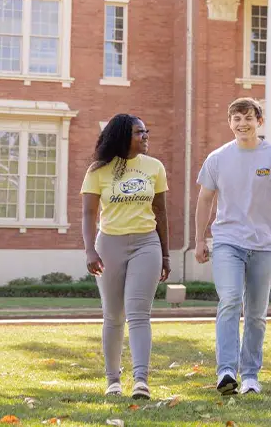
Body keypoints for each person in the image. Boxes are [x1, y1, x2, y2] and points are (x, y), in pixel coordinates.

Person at [194, 98, 271, 396]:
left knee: (255, 313)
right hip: (227, 241)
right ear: (230, 123)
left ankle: (250, 374)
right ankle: (226, 370)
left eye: (248, 117)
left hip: (263, 245)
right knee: (229, 299)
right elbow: (204, 199)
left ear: (259, 121)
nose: (242, 123)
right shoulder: (217, 158)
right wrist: (201, 239)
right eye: (236, 118)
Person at [81, 114, 170, 401]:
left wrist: (166, 254)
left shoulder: (154, 167)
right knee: (113, 315)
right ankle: (113, 381)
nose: (145, 136)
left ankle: (141, 381)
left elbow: (161, 213)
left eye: (146, 131)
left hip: (147, 243)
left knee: (139, 314)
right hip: (109, 245)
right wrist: (90, 250)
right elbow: (87, 214)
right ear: (122, 136)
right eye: (138, 132)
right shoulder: (98, 170)